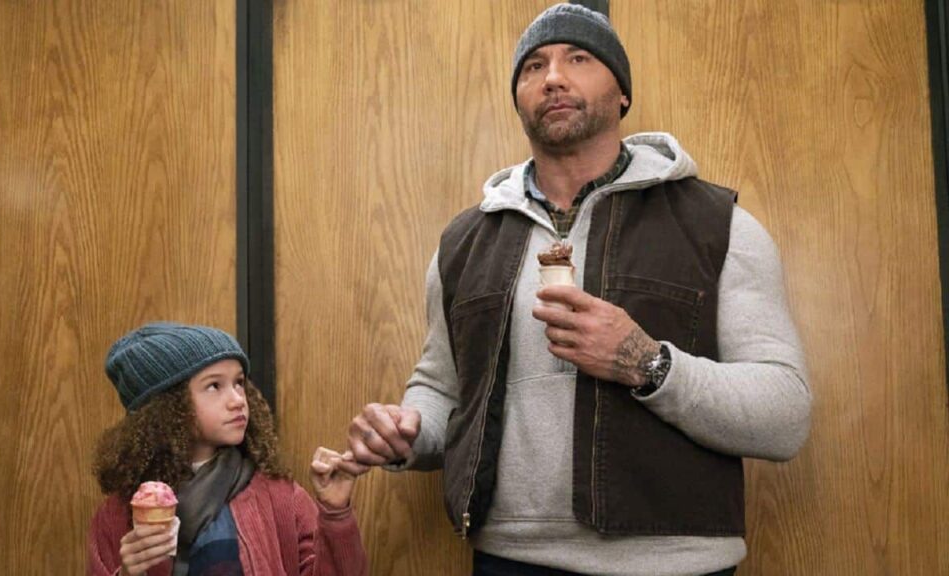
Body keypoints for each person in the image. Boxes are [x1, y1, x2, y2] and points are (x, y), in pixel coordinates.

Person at [345, 4, 811, 576]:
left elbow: (785, 417)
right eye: (533, 66)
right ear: (519, 98)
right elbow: (441, 390)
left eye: (579, 58)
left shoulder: (719, 226)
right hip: (509, 559)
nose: (553, 77)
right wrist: (407, 434)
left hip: (675, 564)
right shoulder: (462, 243)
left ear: (623, 93)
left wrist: (646, 363)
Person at [88, 322, 369, 576]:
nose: (237, 400)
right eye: (214, 386)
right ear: (167, 407)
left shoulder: (280, 497)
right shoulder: (117, 515)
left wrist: (336, 513)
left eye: (239, 383)